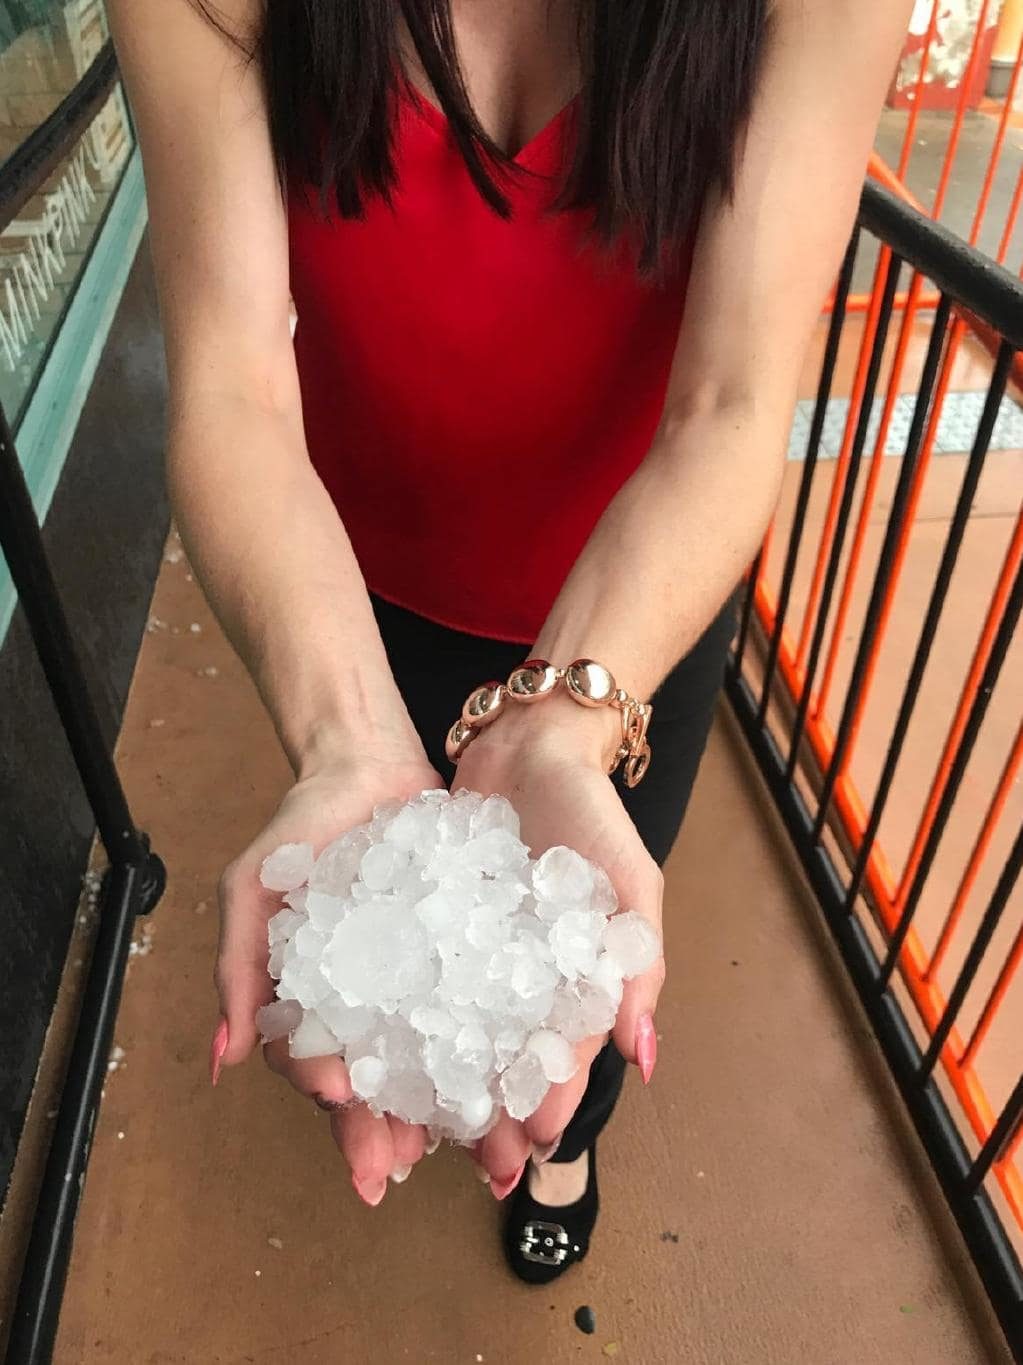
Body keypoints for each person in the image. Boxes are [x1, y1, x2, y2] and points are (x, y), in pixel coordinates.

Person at [110, 0, 911, 1283]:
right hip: (354, 576)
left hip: (641, 606)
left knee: (594, 925)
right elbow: (234, 384)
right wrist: (343, 735)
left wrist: (562, 730)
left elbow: (735, 396)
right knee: (466, 871)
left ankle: (566, 1146)